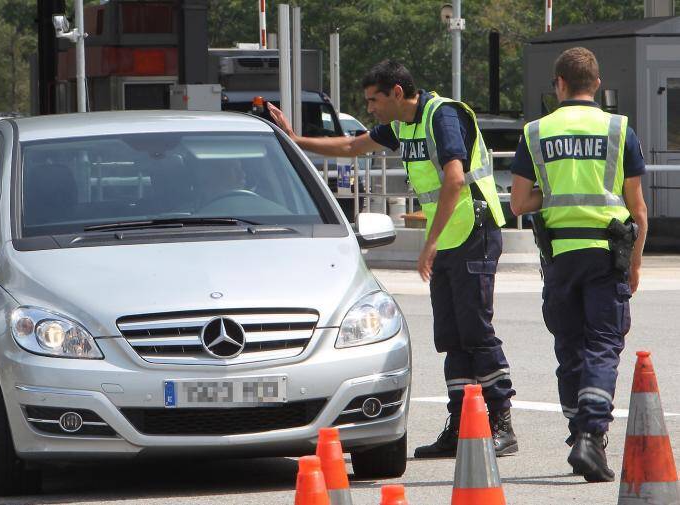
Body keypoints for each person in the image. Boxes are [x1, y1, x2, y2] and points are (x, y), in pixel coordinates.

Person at [268, 60, 517, 458]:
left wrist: (430, 243)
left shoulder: (442, 115)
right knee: (451, 337)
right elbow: (353, 146)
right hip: (449, 236)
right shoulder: (402, 126)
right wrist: (296, 140)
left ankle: (501, 421)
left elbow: (455, 178)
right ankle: (461, 424)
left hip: (473, 232)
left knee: (476, 331)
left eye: (374, 100)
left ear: (397, 93)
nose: (370, 108)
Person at [510, 47, 648, 482]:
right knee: (603, 346)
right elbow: (638, 209)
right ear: (598, 84)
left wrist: (552, 195)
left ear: (560, 85)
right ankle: (592, 435)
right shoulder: (618, 128)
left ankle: (578, 436)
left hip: (560, 258)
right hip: (607, 255)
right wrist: (637, 263)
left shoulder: (535, 132)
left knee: (569, 349)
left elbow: (518, 202)